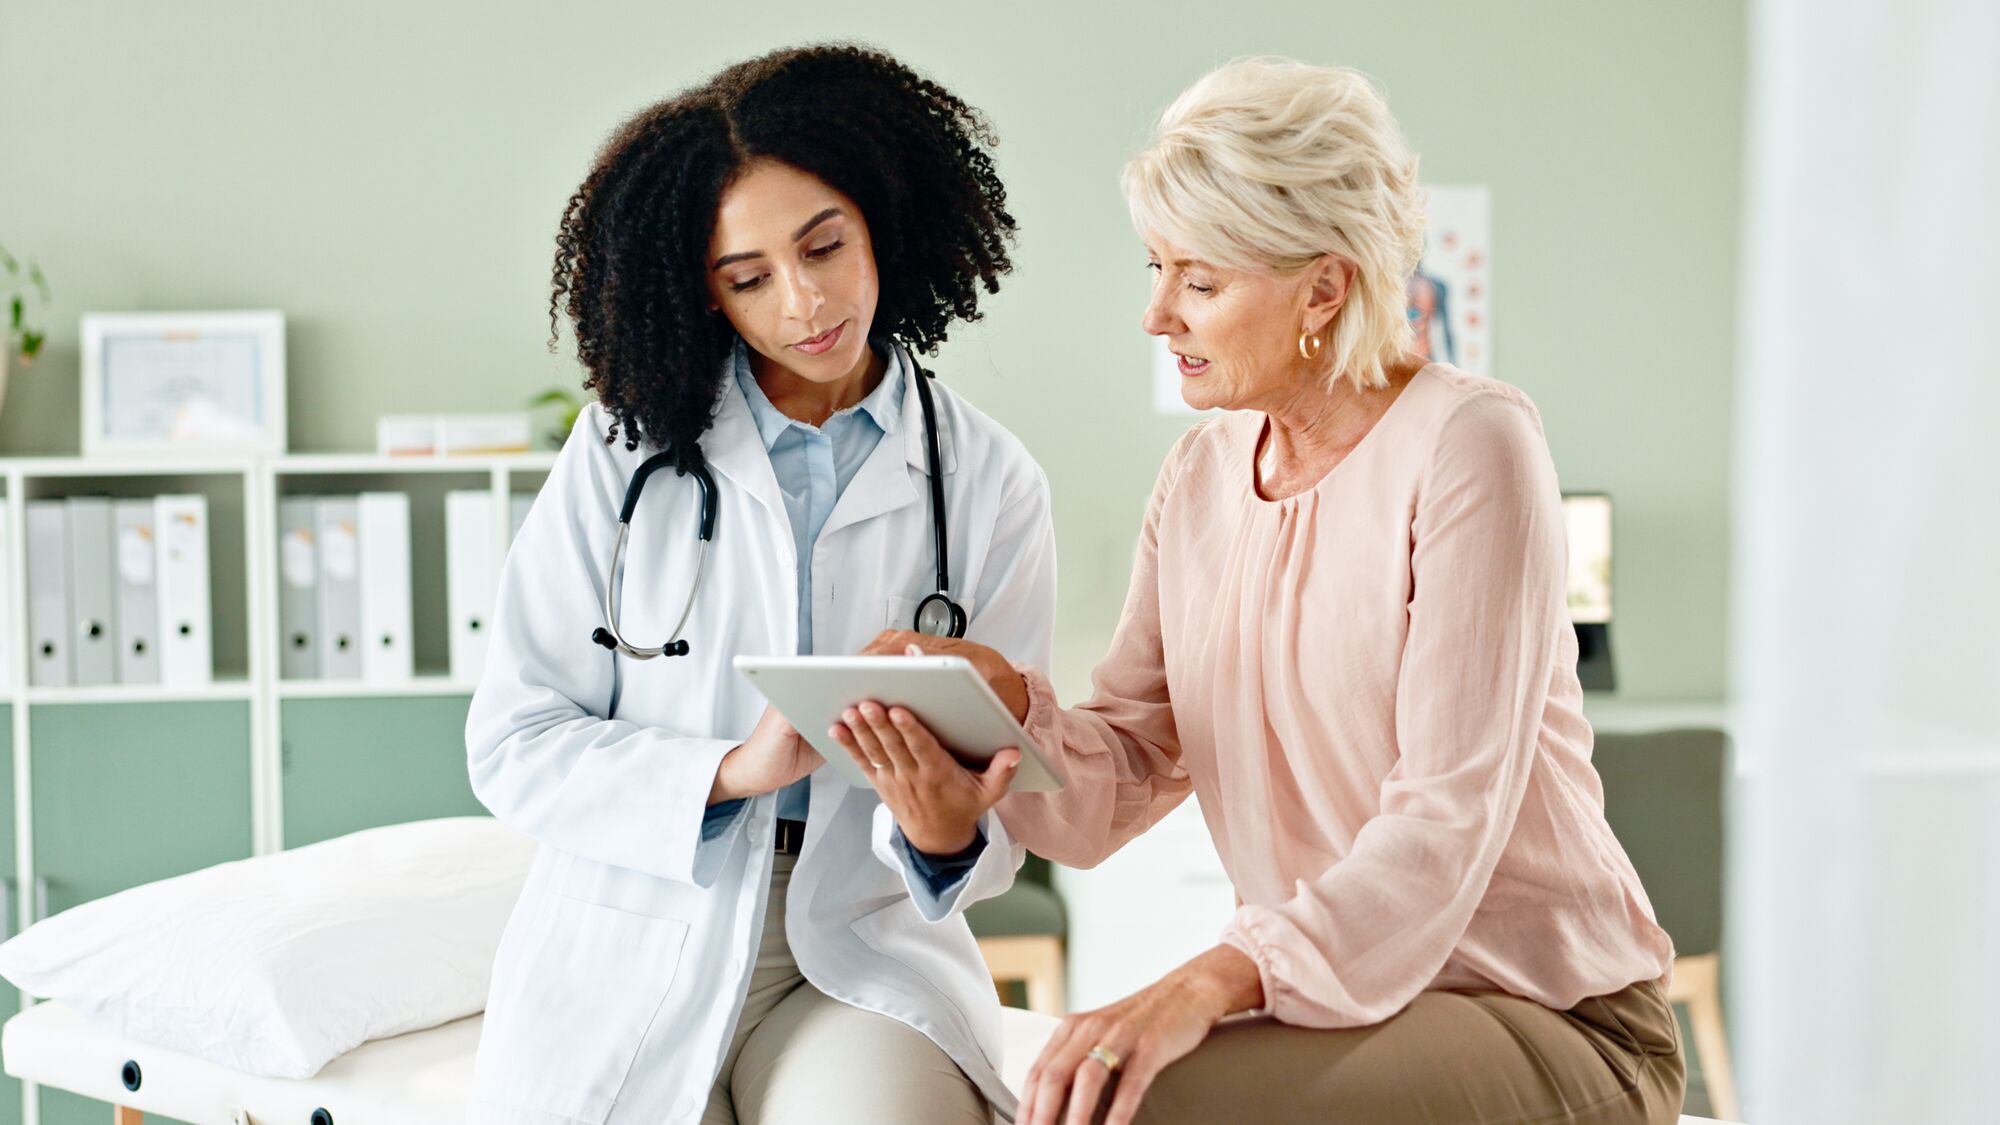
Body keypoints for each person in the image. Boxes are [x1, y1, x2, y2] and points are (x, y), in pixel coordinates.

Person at [838, 57, 1685, 1125]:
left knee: (1135, 1103)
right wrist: (1000, 711)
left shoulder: (1468, 441)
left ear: (1323, 288)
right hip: (1351, 1011)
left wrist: (1202, 982)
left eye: (1197, 281)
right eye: (1154, 268)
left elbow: (1441, 821)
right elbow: (1126, 774)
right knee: (1076, 1092)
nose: (1156, 316)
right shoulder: (1198, 478)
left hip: (1544, 1010)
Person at [465, 44, 1056, 1125]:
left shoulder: (987, 480)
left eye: (825, 245)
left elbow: (1012, 783)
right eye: (749, 277)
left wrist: (941, 834)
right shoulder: (620, 456)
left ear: (880, 219)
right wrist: (731, 770)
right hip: (640, 931)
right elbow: (514, 743)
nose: (805, 301)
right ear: (702, 293)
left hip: (859, 941)